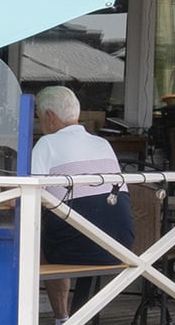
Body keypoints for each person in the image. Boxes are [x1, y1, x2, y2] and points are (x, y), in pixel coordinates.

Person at [27, 85, 134, 305]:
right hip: (120, 246)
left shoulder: (46, 144)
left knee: (34, 243)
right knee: (65, 224)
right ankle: (73, 319)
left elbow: (29, 196)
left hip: (76, 249)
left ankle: (61, 320)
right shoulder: (103, 144)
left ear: (49, 116)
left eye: (39, 117)